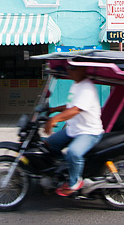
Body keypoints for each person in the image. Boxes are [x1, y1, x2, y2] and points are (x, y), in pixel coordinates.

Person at [44, 65, 104, 197]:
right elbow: (70, 105)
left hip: (89, 132)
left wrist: (54, 119)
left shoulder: (86, 87)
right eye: (69, 68)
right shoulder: (76, 85)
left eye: (73, 68)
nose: (69, 71)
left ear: (83, 69)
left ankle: (75, 182)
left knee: (74, 152)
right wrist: (53, 109)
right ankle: (66, 167)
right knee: (49, 144)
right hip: (73, 130)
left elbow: (76, 109)